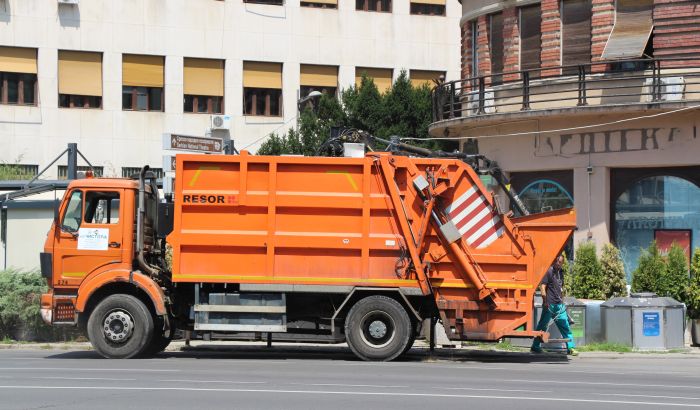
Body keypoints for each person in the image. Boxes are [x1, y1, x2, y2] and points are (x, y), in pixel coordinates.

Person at [531, 254, 578, 356]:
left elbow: (560, 289)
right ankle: (535, 346)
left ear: (562, 263)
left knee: (565, 326)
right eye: (557, 262)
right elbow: (542, 287)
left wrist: (562, 301)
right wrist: (545, 301)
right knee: (542, 326)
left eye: (560, 262)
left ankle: (571, 348)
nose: (558, 264)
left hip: (559, 305)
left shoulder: (561, 272)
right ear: (554, 261)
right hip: (549, 304)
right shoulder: (549, 271)